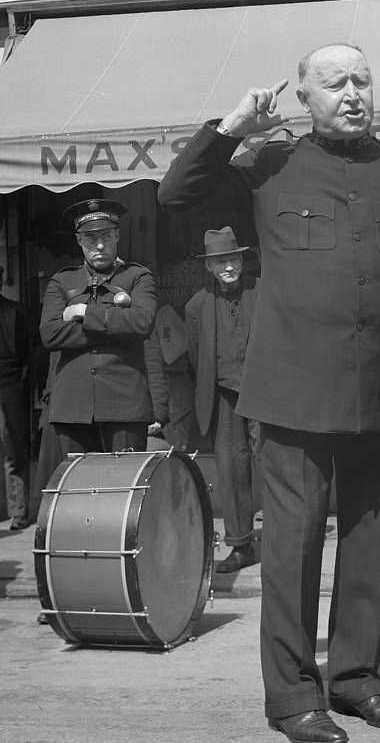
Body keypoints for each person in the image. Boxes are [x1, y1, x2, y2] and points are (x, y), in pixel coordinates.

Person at [158, 43, 380, 743]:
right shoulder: (266, 167)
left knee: (373, 546)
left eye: (362, 80)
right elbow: (175, 196)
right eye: (335, 82)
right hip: (293, 396)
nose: (352, 92)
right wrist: (229, 129)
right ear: (304, 97)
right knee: (290, 553)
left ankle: (354, 680)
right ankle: (290, 698)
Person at [39, 199, 157, 455]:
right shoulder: (61, 281)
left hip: (124, 404)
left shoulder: (138, 277)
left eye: (105, 236)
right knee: (74, 490)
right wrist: (115, 327)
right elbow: (50, 334)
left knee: (124, 488)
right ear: (79, 240)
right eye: (91, 238)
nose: (100, 245)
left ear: (117, 235)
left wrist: (83, 313)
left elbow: (142, 322)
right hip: (72, 406)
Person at [185, 226, 260, 574]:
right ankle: (241, 544)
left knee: (272, 465)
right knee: (231, 470)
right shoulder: (197, 306)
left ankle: (279, 540)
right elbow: (196, 358)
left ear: (242, 259)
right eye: (219, 261)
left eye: (232, 258)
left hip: (265, 394)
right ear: (209, 267)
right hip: (225, 398)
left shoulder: (263, 293)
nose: (227, 266)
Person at [0, 264, 30, 530]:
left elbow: (30, 352)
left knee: (14, 450)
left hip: (10, 385)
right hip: (10, 385)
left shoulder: (15, 312)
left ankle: (18, 512)